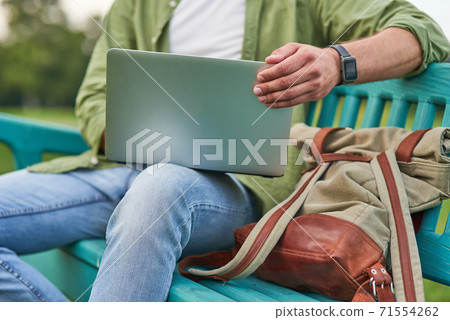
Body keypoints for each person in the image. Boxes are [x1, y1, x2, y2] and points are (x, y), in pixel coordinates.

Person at [0, 0, 449, 302]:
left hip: (238, 186)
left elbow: (422, 32)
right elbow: (94, 98)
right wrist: (145, 135)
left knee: (161, 187)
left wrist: (335, 62)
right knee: (156, 180)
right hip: (126, 166)